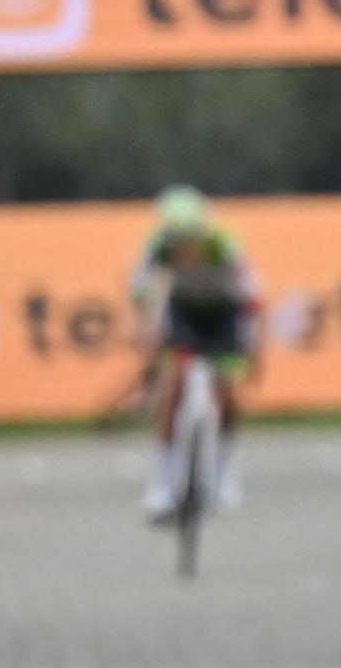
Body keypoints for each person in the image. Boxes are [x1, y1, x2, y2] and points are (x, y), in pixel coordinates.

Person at [130, 185, 262, 520]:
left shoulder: (224, 247)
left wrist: (256, 350)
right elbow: (140, 292)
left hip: (224, 313)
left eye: (192, 239)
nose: (186, 248)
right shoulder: (158, 247)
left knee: (225, 392)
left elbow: (254, 302)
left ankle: (222, 474)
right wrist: (144, 331)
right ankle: (162, 482)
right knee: (172, 389)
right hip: (185, 310)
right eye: (179, 240)